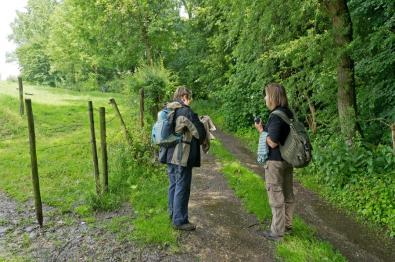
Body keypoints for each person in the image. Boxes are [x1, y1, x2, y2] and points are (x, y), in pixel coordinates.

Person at [159, 86, 206, 231]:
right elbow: (200, 133)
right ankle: (179, 221)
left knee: (173, 185)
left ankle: (173, 214)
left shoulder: (168, 110)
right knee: (182, 187)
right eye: (189, 97)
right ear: (185, 96)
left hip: (168, 154)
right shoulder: (185, 111)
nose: (190, 99)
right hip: (180, 156)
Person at [254, 83, 295, 241]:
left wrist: (260, 131)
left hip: (275, 161)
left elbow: (272, 142)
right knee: (288, 193)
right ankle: (287, 225)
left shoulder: (276, 115)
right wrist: (265, 129)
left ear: (272, 97)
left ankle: (277, 232)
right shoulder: (288, 113)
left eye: (266, 95)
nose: (265, 98)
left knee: (275, 194)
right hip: (287, 159)